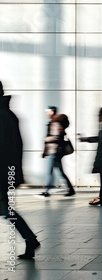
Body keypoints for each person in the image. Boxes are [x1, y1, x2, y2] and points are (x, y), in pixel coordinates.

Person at [0, 81, 40, 259]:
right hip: (6, 170)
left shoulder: (2, 116)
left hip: (2, 171)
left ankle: (30, 239)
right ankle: (30, 239)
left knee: (7, 210)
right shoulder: (8, 114)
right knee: (6, 210)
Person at [40, 106, 75, 197]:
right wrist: (45, 151)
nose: (47, 113)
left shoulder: (55, 123)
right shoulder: (53, 122)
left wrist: (46, 139)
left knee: (49, 171)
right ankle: (70, 189)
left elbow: (56, 137)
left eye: (48, 111)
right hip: (54, 151)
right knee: (60, 172)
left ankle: (47, 191)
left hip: (54, 151)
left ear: (52, 112)